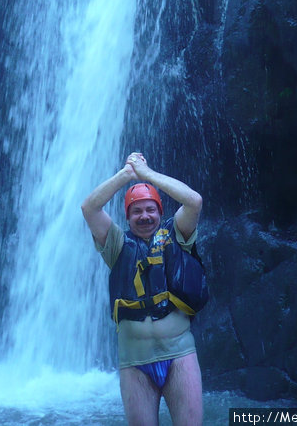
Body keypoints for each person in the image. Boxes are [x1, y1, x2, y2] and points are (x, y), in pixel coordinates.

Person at [81, 152, 207, 426]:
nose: (144, 216)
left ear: (161, 213)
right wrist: (127, 174)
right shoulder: (115, 245)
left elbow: (194, 201)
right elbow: (89, 208)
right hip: (134, 364)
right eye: (136, 211)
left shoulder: (177, 235)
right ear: (127, 218)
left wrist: (147, 174)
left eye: (151, 209)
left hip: (179, 356)